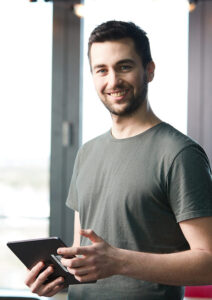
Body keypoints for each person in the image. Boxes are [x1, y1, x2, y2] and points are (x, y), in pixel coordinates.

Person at [25, 20, 212, 300]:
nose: (113, 81)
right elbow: (86, 256)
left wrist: (119, 261)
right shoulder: (87, 153)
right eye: (102, 70)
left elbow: (208, 263)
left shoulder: (180, 153)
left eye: (124, 66)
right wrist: (57, 278)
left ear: (148, 71)